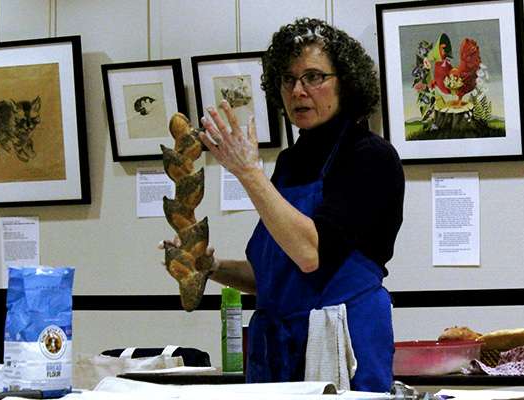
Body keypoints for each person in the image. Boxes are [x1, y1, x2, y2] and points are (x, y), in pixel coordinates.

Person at [161, 17, 404, 392]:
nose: (298, 91)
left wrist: (248, 173)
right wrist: (210, 266)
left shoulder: (370, 156)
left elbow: (310, 254)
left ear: (347, 83)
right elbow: (274, 277)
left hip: (341, 339)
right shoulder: (291, 163)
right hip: (277, 347)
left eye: (313, 77)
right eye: (288, 80)